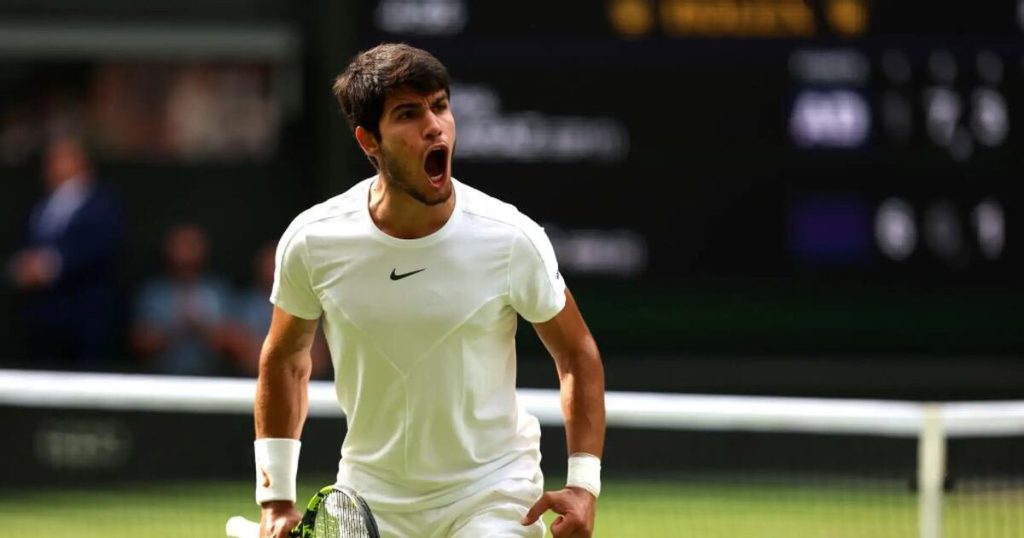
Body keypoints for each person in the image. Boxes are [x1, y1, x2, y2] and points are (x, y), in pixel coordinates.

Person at [254, 43, 606, 538]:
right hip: (370, 501)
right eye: (407, 114)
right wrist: (275, 499)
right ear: (368, 140)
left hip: (493, 493)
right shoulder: (314, 241)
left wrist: (582, 485)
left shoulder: (510, 237)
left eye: (440, 105)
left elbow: (577, 353)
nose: (434, 125)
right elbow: (285, 360)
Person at [8, 135, 123, 366]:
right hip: (44, 318)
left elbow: (101, 246)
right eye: (49, 160)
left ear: (80, 161)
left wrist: (51, 265)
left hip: (87, 317)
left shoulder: (103, 203)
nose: (51, 166)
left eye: (59, 158)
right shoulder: (41, 206)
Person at [131, 223, 233, 375]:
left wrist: (201, 327)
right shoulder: (153, 293)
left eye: (192, 245)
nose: (186, 253)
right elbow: (138, 345)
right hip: (161, 381)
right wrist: (176, 327)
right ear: (168, 249)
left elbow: (237, 345)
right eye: (181, 245)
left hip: (210, 381)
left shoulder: (218, 290)